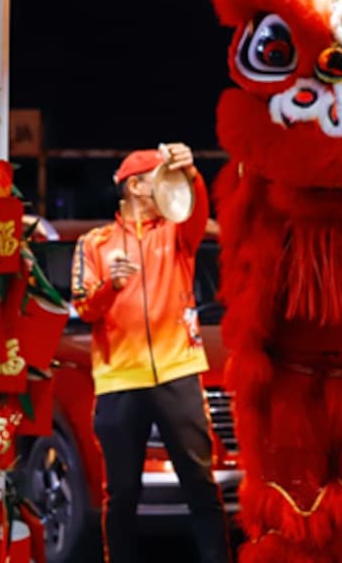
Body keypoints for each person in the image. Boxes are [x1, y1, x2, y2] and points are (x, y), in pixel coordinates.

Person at [71, 144, 231, 563]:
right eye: (162, 178)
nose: (170, 187)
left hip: (178, 372)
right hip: (119, 380)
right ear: (135, 186)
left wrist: (192, 173)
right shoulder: (95, 243)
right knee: (121, 492)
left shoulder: (176, 233)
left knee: (200, 484)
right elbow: (84, 307)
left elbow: (197, 208)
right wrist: (110, 287)